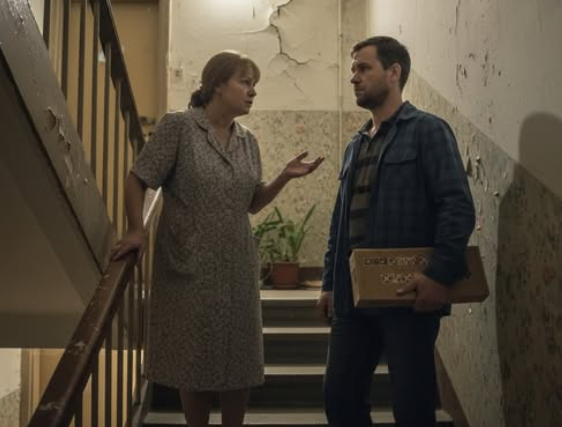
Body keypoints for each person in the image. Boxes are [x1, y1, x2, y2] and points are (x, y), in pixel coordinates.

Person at [111, 50, 323, 427]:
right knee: (195, 359)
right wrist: (135, 230)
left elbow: (252, 203)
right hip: (188, 264)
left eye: (254, 84)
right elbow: (138, 177)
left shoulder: (247, 141)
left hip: (237, 265)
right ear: (217, 85)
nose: (252, 91)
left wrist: (283, 178)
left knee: (239, 358)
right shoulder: (179, 126)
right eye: (245, 82)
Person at [316, 36, 475, 427]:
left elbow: (456, 206)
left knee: (412, 407)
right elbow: (340, 221)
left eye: (363, 68)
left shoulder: (428, 130)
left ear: (394, 72)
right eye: (353, 69)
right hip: (352, 298)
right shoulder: (355, 145)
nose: (354, 77)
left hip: (409, 295)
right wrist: (329, 283)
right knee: (340, 400)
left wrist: (439, 275)